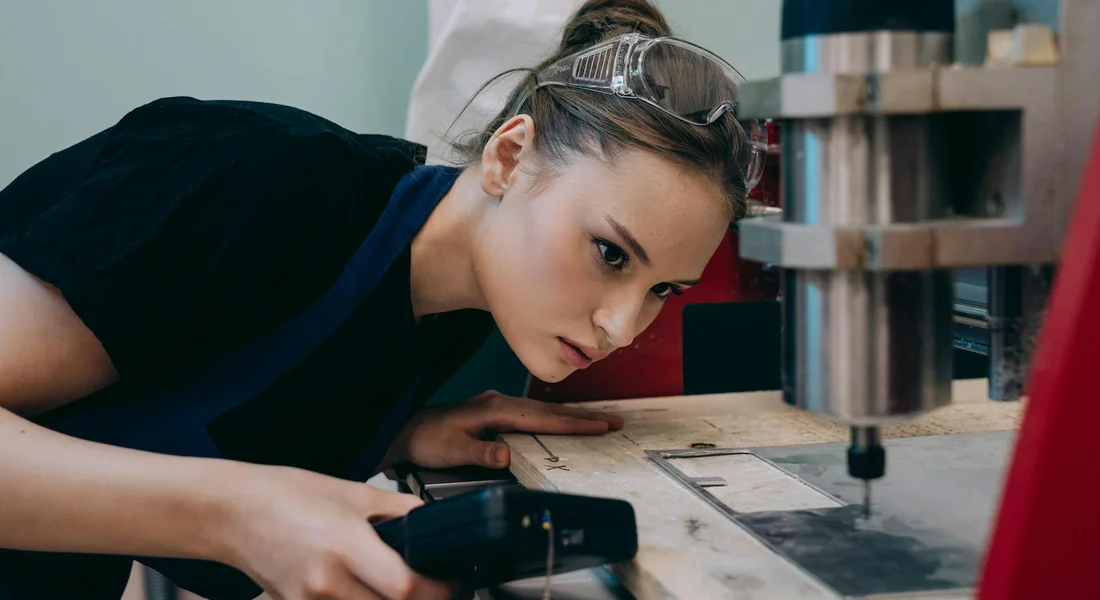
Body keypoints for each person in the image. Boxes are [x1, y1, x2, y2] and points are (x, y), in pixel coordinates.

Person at [0, 1, 762, 599]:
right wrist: (242, 514)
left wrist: (387, 436)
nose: (621, 325)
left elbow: (172, 390)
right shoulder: (256, 177)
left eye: (663, 288)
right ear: (509, 157)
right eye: (609, 253)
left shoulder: (457, 318)